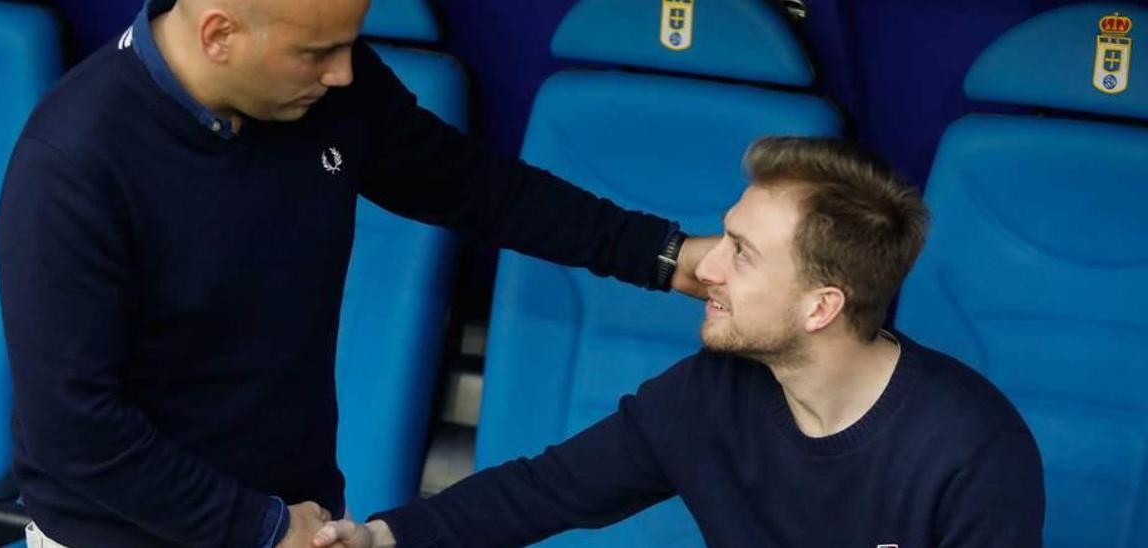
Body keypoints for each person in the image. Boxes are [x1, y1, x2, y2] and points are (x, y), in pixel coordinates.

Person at [0, 0, 715, 546]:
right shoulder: (73, 164)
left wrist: (666, 256)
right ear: (219, 35)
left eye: (349, 44)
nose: (343, 72)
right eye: (318, 53)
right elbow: (76, 433)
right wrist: (261, 527)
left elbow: (477, 187)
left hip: (296, 514)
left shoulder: (330, 85)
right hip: (128, 535)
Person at [313, 137, 1046, 548]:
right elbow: (543, 491)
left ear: (821, 306)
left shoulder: (975, 452)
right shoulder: (713, 392)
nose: (707, 267)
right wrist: (381, 540)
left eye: (741, 252)